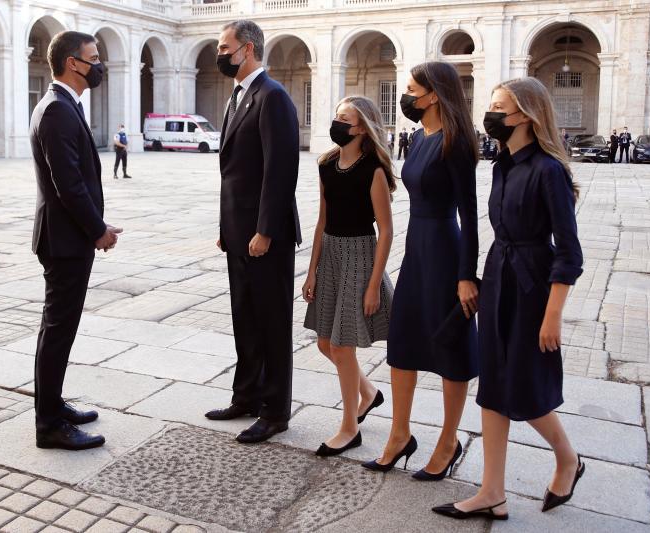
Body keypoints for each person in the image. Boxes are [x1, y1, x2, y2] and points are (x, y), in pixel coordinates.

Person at [433, 77, 584, 520]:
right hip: (500, 277)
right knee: (494, 387)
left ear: (526, 116)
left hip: (533, 286)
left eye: (500, 107)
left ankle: (568, 458)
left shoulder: (549, 170)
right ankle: (492, 492)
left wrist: (553, 314)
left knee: (525, 390)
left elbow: (569, 252)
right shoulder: (502, 164)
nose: (491, 114)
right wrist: (478, 280)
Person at [363, 62, 479, 477]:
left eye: (412, 89)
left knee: (451, 346)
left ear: (434, 95)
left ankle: (449, 441)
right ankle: (399, 434)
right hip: (417, 246)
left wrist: (467, 275)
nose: (406, 95)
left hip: (447, 249)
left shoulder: (457, 141)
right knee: (404, 342)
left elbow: (470, 212)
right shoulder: (416, 137)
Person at [205, 20, 302, 444]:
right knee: (244, 317)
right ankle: (246, 395)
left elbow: (280, 173)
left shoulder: (273, 97)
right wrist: (228, 227)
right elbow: (235, 173)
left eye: (224, 47)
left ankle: (276, 409)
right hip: (238, 230)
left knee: (271, 321)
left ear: (247, 49)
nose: (220, 54)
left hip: (266, 235)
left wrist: (264, 230)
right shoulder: (238, 97)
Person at [30, 30, 122, 450]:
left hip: (67, 238)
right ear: (73, 63)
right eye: (94, 56)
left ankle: (53, 405)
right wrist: (97, 230)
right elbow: (68, 186)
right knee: (58, 329)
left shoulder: (64, 106)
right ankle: (49, 424)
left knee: (60, 329)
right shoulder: (57, 111)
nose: (99, 63)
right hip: (65, 241)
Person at [302, 95, 395, 457]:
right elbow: (322, 219)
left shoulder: (373, 169)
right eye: (337, 116)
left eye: (346, 119)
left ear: (363, 128)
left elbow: (385, 231)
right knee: (326, 343)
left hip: (359, 256)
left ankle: (348, 428)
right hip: (332, 254)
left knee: (342, 345)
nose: (338, 123)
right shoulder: (326, 164)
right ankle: (368, 393)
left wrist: (374, 284)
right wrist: (311, 271)